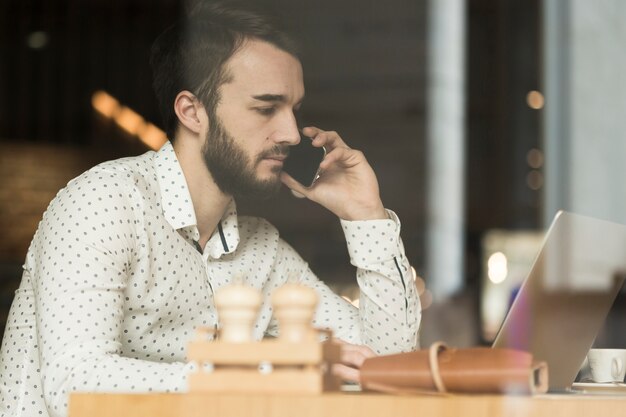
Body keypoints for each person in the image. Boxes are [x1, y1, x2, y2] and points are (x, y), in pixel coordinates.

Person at [0, 2, 420, 416]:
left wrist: (366, 215)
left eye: (293, 108)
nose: (291, 133)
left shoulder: (262, 252)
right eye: (265, 107)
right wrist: (268, 373)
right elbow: (74, 386)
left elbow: (387, 371)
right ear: (192, 111)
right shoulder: (104, 202)